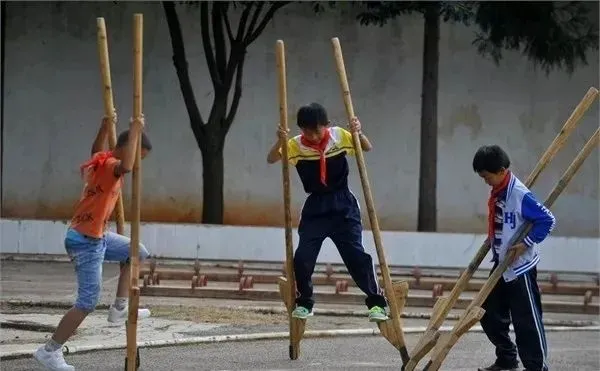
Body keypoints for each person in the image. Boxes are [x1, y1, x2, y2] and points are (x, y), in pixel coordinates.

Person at [34, 113, 153, 371]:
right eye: (138, 154)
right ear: (126, 148)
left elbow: (95, 148)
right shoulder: (112, 166)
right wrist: (135, 130)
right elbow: (127, 166)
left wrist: (103, 126)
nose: (138, 163)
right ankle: (49, 351)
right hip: (85, 241)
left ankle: (119, 307)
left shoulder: (102, 160)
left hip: (97, 236)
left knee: (137, 252)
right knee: (87, 301)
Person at [267, 102, 388, 323]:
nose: (312, 136)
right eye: (306, 131)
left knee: (356, 256)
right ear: (300, 129)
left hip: (343, 206)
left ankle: (377, 302)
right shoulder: (295, 145)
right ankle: (304, 302)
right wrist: (280, 140)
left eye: (317, 130)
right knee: (302, 257)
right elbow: (272, 158)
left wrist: (358, 133)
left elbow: (366, 147)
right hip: (316, 208)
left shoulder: (339, 136)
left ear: (326, 125)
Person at [472, 145, 556, 371]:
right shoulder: (499, 191)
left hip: (520, 268)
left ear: (500, 171)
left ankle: (536, 367)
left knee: (526, 322)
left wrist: (526, 243)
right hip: (501, 264)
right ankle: (507, 358)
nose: (485, 182)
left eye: (487, 177)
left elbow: (547, 220)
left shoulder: (519, 194)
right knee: (487, 313)